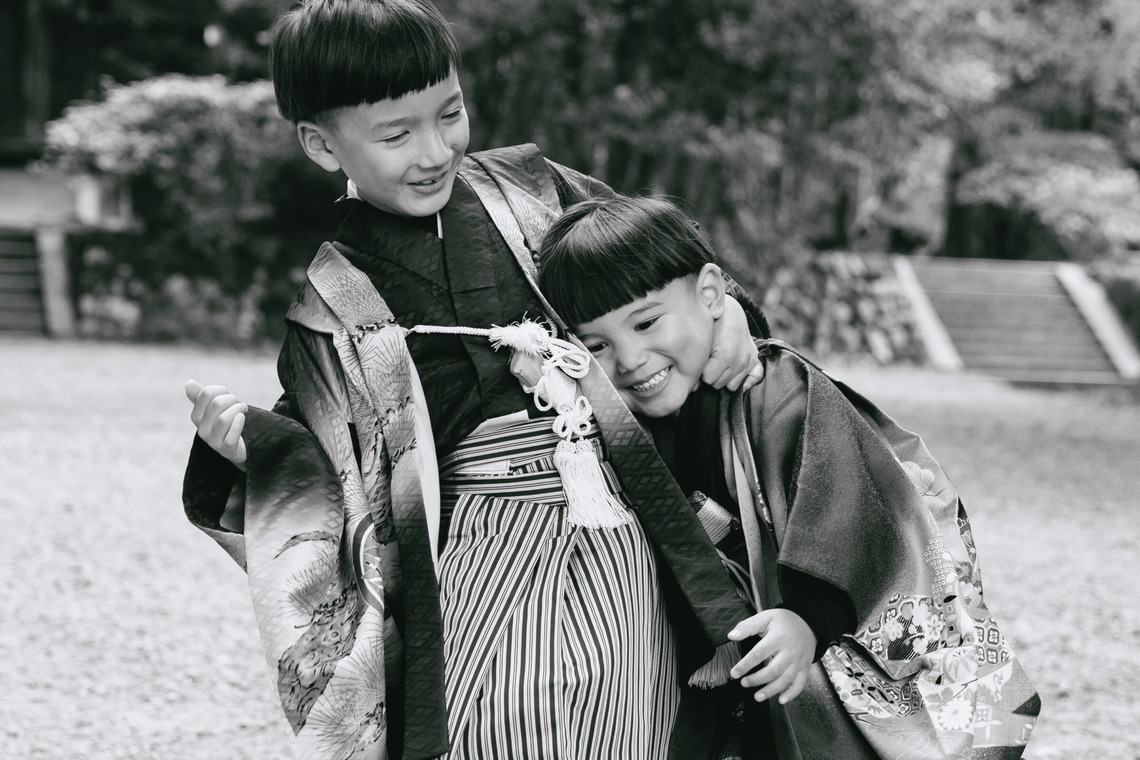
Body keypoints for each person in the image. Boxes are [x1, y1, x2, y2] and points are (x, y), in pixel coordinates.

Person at [182, 1, 767, 759]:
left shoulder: (536, 192)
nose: (435, 151)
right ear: (322, 144)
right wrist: (251, 450)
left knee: (630, 717)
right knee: (491, 726)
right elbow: (324, 451)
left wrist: (730, 316)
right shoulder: (333, 303)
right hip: (471, 560)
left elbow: (667, 270)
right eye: (396, 135)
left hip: (618, 524)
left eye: (450, 114)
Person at [535, 195, 1041, 759]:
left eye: (647, 322)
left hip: (810, 644)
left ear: (711, 294)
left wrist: (808, 619)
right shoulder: (604, 415)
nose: (629, 359)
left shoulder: (776, 389)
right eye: (597, 345)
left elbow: (852, 504)